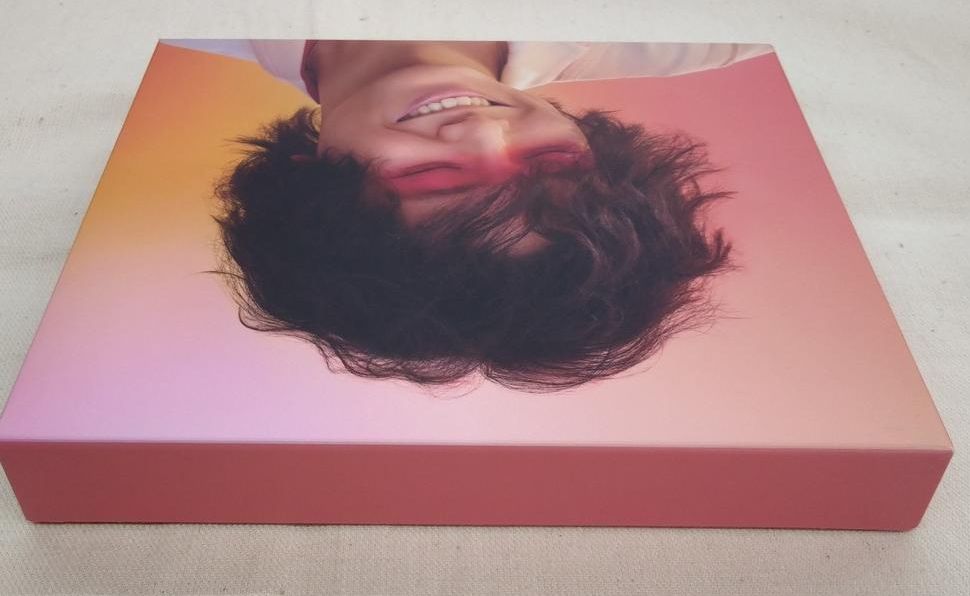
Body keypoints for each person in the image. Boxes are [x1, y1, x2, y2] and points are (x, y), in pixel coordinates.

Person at [175, 39, 771, 392]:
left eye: (430, 176)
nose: (484, 132)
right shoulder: (711, 27)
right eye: (550, 161)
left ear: (307, 178)